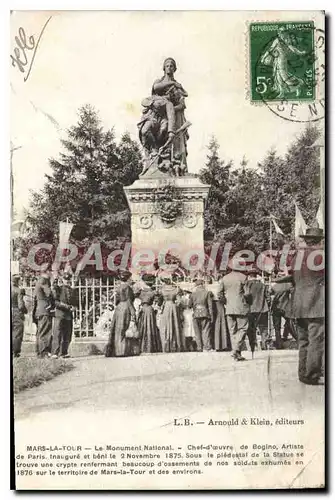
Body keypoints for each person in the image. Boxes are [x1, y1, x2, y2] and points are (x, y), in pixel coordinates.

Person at [274, 227, 324, 385]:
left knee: (303, 341)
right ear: (320, 241)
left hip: (298, 304)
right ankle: (312, 374)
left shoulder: (297, 256)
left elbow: (294, 277)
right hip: (317, 303)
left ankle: (303, 373)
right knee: (316, 340)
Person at [138, 57, 189, 169]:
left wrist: (170, 109)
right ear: (164, 68)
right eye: (167, 66)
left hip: (171, 115)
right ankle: (154, 151)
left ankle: (167, 161)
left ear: (175, 68)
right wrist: (172, 84)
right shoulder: (160, 82)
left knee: (164, 131)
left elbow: (182, 104)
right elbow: (156, 88)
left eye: (171, 66)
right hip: (155, 114)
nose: (169, 68)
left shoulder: (178, 86)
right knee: (145, 131)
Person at [219, 259, 250, 361]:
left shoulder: (225, 278)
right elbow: (247, 294)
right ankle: (236, 350)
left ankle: (236, 353)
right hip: (241, 307)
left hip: (229, 307)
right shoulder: (243, 277)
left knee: (232, 330)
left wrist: (225, 302)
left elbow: (219, 294)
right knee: (243, 329)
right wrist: (249, 302)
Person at [105, 270, 137, 357]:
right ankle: (121, 351)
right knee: (123, 329)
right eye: (130, 278)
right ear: (128, 278)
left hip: (119, 308)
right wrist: (133, 312)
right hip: (126, 307)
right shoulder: (128, 288)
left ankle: (115, 350)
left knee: (117, 329)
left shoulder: (118, 287)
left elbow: (115, 300)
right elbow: (129, 300)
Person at [51, 273, 77, 358]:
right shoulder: (58, 289)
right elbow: (55, 302)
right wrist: (67, 307)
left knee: (67, 334)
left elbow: (75, 302)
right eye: (66, 279)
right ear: (63, 280)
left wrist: (74, 307)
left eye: (68, 279)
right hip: (60, 314)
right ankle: (55, 352)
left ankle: (64, 352)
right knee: (57, 334)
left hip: (68, 316)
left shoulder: (72, 290)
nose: (67, 281)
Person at [246, 269, 271, 351]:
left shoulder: (247, 285)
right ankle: (264, 344)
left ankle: (253, 345)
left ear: (249, 276)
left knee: (251, 328)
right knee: (263, 328)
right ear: (256, 276)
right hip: (262, 309)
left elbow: (245, 297)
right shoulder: (262, 285)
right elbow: (268, 297)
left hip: (251, 309)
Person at [137, 274, 162, 354]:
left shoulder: (140, 292)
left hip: (143, 309)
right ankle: (150, 346)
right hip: (150, 310)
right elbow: (158, 302)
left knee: (143, 326)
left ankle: (142, 346)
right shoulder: (153, 292)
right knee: (150, 326)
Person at [271, 273, 297, 349]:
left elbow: (270, 294)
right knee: (290, 323)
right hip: (285, 307)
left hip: (276, 308)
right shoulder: (288, 285)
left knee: (277, 327)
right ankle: (296, 338)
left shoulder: (274, 286)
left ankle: (279, 344)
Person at [159, 276, 184, 353]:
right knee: (174, 325)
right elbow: (179, 301)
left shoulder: (162, 290)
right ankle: (175, 345)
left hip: (166, 306)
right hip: (173, 307)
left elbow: (160, 302)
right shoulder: (176, 290)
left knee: (165, 326)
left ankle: (166, 345)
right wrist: (176, 306)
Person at [189, 278, 214, 352]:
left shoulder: (192, 294)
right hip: (205, 313)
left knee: (197, 332)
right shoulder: (207, 293)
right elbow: (210, 305)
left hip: (196, 314)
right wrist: (211, 315)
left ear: (196, 286)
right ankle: (207, 347)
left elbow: (189, 305)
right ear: (202, 285)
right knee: (206, 331)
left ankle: (199, 347)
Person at [32, 275, 55, 358]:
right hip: (45, 310)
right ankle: (44, 353)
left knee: (40, 333)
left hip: (39, 311)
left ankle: (39, 352)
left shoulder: (37, 284)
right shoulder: (44, 282)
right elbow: (49, 293)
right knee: (45, 332)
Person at [209, 278, 231, 352]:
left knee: (216, 325)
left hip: (213, 305)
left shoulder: (209, 286)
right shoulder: (220, 285)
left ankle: (216, 345)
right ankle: (224, 344)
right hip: (220, 305)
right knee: (222, 324)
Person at [11, 275, 27, 358]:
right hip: (16, 312)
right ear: (17, 281)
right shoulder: (18, 290)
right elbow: (20, 305)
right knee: (17, 332)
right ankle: (15, 351)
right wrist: (25, 310)